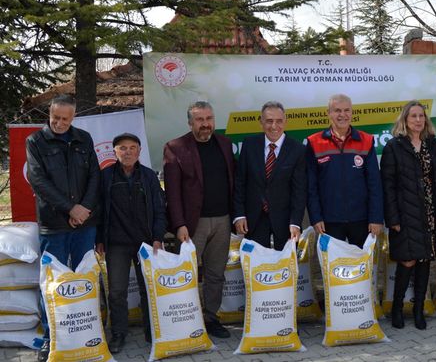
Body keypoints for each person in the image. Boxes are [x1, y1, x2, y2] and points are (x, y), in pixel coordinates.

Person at [26, 94, 100, 361]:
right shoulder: (35, 142)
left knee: (83, 281)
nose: (58, 123)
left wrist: (83, 209)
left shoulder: (84, 139)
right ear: (50, 113)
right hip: (54, 224)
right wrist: (70, 209)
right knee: (52, 283)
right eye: (55, 117)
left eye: (64, 119)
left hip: (84, 223)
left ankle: (88, 330)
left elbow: (94, 176)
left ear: (73, 117)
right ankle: (50, 337)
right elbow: (38, 181)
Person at [163, 101, 234, 339]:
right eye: (200, 120)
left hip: (223, 220)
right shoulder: (175, 147)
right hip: (194, 224)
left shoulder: (224, 143)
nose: (205, 124)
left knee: (215, 273)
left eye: (209, 119)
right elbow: (172, 192)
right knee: (188, 274)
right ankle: (187, 320)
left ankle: (211, 318)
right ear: (190, 122)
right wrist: (179, 223)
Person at [95, 133, 166, 353]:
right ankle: (118, 334)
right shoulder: (105, 176)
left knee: (148, 289)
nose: (127, 152)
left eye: (132, 148)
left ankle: (151, 332)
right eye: (122, 148)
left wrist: (157, 237)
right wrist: (99, 239)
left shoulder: (148, 176)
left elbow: (159, 208)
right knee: (117, 291)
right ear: (114, 152)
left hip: (145, 243)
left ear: (139, 151)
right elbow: (98, 210)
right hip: (116, 243)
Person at [380, 100, 436, 330]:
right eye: (413, 116)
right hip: (405, 215)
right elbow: (387, 186)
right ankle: (397, 309)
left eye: (421, 116)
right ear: (405, 120)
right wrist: (393, 218)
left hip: (429, 213)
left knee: (424, 260)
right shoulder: (394, 147)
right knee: (407, 261)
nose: (418, 120)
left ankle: (418, 311)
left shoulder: (433, 146)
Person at [306, 94, 383, 248]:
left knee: (362, 269)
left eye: (347, 110)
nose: (342, 115)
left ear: (352, 113)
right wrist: (315, 217)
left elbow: (375, 183)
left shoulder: (366, 140)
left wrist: (376, 218)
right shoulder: (314, 142)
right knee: (332, 270)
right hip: (328, 221)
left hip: (362, 220)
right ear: (328, 113)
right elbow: (310, 186)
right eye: (337, 110)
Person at [233, 101, 306, 250]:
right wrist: (239, 215)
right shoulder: (249, 145)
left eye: (279, 121)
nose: (274, 126)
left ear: (285, 122)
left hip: (285, 222)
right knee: (256, 267)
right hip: (254, 220)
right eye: (269, 121)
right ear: (261, 122)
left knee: (285, 268)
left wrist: (295, 222)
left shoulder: (297, 149)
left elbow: (299, 191)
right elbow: (240, 182)